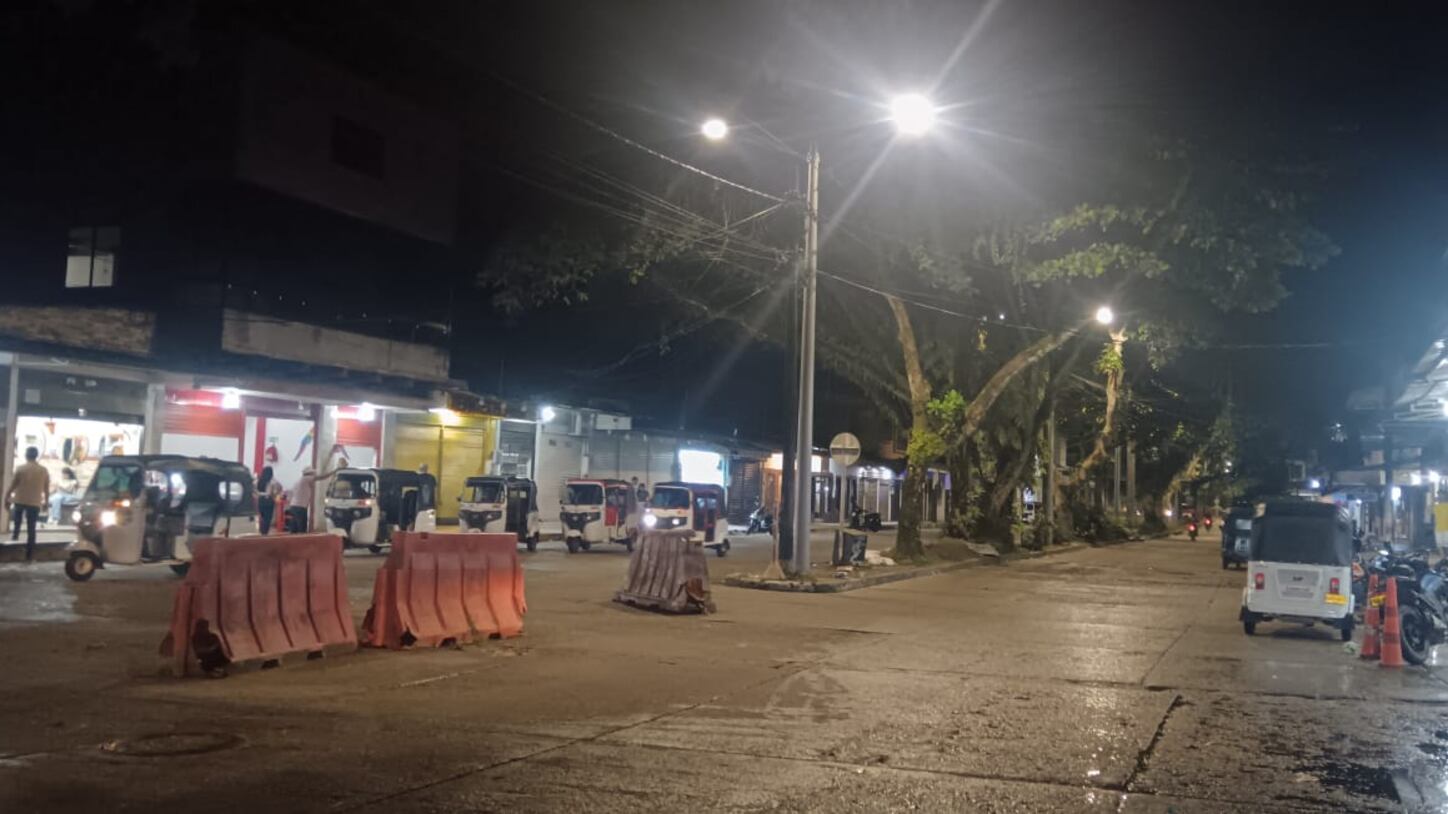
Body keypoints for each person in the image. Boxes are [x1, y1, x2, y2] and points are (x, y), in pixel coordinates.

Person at [7, 447, 50, 561]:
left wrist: (6, 497)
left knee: (17, 522)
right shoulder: (43, 470)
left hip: (20, 500)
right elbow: (46, 488)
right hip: (34, 502)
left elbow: (13, 485)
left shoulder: (20, 469)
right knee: (32, 528)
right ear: (36, 456)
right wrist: (46, 501)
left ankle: (14, 541)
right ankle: (29, 555)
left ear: (26, 455)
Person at [288, 460, 344, 532]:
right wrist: (335, 471)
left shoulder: (299, 481)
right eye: (313, 473)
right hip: (300, 507)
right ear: (309, 473)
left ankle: (292, 541)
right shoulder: (306, 478)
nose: (314, 475)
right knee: (302, 528)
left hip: (294, 506)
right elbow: (322, 477)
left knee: (294, 527)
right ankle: (302, 542)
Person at [255, 466, 283, 535]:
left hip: (260, 500)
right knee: (267, 518)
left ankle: (261, 532)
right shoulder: (272, 481)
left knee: (262, 517)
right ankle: (265, 533)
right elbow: (279, 488)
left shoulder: (259, 480)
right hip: (269, 500)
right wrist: (275, 495)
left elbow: (255, 490)